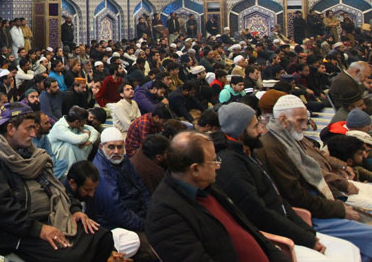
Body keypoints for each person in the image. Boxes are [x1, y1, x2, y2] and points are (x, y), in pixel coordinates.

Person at [0, 102, 127, 261]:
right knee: (71, 257)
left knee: (103, 238)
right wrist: (39, 229)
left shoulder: (30, 152)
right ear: (11, 129)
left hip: (52, 215)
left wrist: (74, 209)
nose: (33, 134)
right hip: (20, 230)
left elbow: (55, 185)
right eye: (29, 128)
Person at [215, 102, 361, 262]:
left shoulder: (248, 150)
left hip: (291, 226)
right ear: (240, 132)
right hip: (274, 239)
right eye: (255, 127)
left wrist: (307, 233)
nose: (261, 131)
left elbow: (278, 200)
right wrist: (305, 238)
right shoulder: (232, 165)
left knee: (349, 249)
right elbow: (260, 214)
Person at [255, 94, 372, 258]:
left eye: (305, 120)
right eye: (300, 121)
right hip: (311, 216)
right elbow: (296, 196)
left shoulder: (289, 138)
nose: (304, 126)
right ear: (282, 119)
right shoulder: (272, 147)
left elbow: (315, 170)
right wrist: (338, 208)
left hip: (322, 202)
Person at [146, 132, 288, 262]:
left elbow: (249, 229)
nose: (218, 166)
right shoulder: (164, 215)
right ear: (195, 169)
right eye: (214, 161)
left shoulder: (207, 187)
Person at [89, 127, 153, 261]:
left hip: (137, 214)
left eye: (119, 147)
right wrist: (145, 224)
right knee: (154, 249)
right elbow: (117, 213)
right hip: (117, 224)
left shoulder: (123, 160)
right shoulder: (100, 172)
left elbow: (141, 187)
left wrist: (151, 212)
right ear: (101, 147)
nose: (116, 151)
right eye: (111, 147)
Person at [47, 106, 99, 178]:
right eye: (84, 121)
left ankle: (80, 169)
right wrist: (86, 135)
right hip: (54, 156)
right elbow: (77, 140)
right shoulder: (59, 126)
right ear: (77, 122)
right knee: (69, 146)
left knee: (87, 145)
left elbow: (94, 132)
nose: (84, 124)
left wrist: (90, 141)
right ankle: (72, 173)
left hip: (69, 156)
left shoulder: (76, 125)